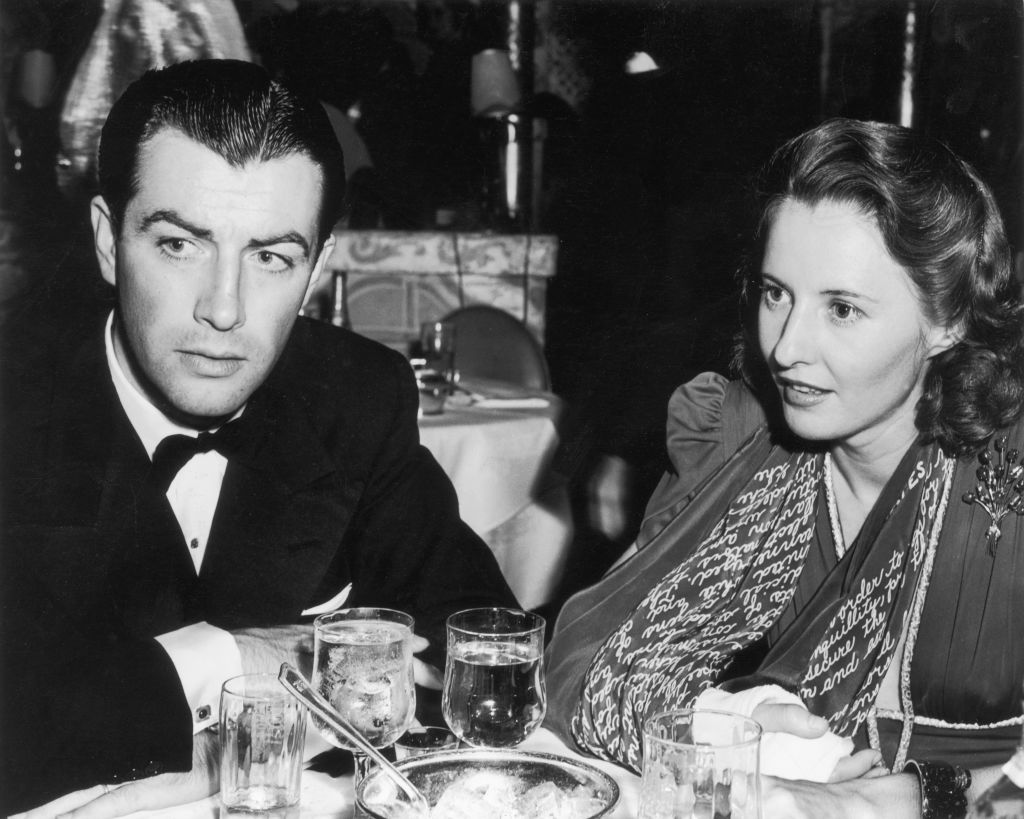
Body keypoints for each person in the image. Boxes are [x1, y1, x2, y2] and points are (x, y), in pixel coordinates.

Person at [0, 59, 517, 816]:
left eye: (271, 257)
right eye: (180, 243)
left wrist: (203, 746)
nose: (224, 308)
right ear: (110, 242)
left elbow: (473, 645)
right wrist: (240, 656)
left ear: (316, 272)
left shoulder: (356, 397)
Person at [544, 117, 1024, 818]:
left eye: (842, 308)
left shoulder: (1009, 476)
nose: (789, 346)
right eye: (776, 294)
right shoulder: (740, 441)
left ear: (947, 318)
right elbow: (589, 664)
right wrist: (724, 723)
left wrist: (920, 797)